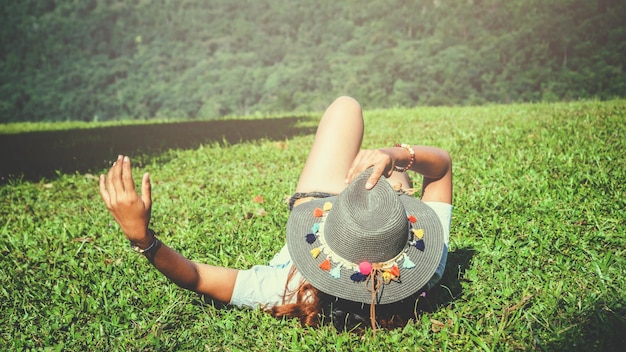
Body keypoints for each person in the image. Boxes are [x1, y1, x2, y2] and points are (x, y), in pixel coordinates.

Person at [99, 96, 452, 334]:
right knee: (393, 174)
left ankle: (379, 167)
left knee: (346, 107)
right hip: (368, 213)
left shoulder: (290, 290)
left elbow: (194, 276)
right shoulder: (423, 272)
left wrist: (141, 238)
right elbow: (442, 168)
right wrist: (393, 155)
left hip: (322, 197)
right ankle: (384, 171)